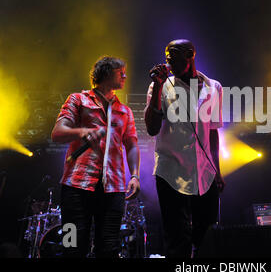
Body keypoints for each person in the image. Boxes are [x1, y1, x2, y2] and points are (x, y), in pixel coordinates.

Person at [51, 56, 140, 257]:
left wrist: (134, 175)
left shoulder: (125, 111)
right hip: (76, 187)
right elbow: (57, 133)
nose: (125, 76)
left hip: (113, 189)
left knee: (109, 248)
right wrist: (81, 132)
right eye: (121, 72)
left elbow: (131, 145)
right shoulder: (77, 99)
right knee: (71, 244)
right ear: (107, 73)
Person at [144, 39, 225, 258]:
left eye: (174, 55)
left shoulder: (213, 87)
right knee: (177, 238)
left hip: (204, 172)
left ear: (190, 54)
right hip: (170, 171)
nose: (168, 60)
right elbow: (152, 129)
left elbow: (213, 130)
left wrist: (217, 170)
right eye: (167, 55)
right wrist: (159, 85)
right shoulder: (160, 85)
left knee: (206, 237)